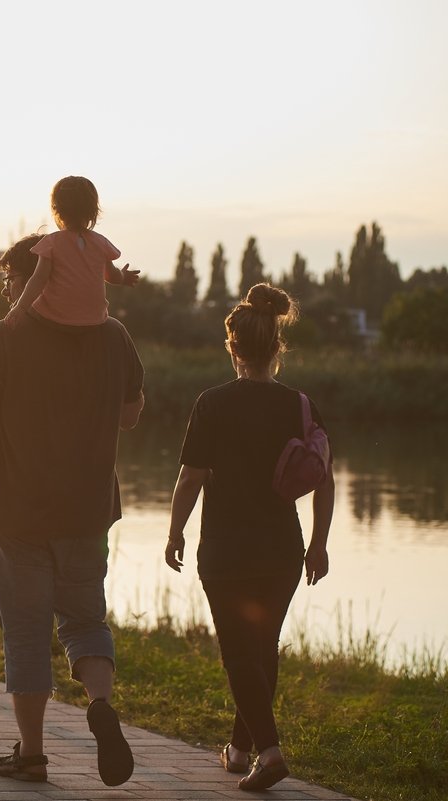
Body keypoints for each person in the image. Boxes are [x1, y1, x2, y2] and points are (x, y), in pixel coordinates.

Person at [0, 233, 145, 787]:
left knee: (27, 632)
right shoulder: (116, 337)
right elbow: (131, 416)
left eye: (11, 280)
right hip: (87, 510)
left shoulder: (6, 335)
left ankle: (33, 755)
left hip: (19, 511)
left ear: (36, 276)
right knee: (85, 619)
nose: (8, 292)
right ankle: (101, 704)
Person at [165, 283, 334, 792]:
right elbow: (324, 479)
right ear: (276, 347)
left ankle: (270, 751)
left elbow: (191, 477)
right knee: (260, 650)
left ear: (233, 347)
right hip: (283, 550)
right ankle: (240, 750)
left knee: (240, 652)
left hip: (225, 551)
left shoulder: (212, 403)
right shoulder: (299, 404)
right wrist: (319, 544)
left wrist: (174, 531)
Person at [7, 176, 140, 328]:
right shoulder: (100, 243)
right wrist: (123, 277)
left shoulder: (51, 243)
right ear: (93, 212)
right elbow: (111, 275)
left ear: (56, 210)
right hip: (94, 320)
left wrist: (20, 308)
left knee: (34, 309)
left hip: (56, 319)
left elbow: (38, 279)